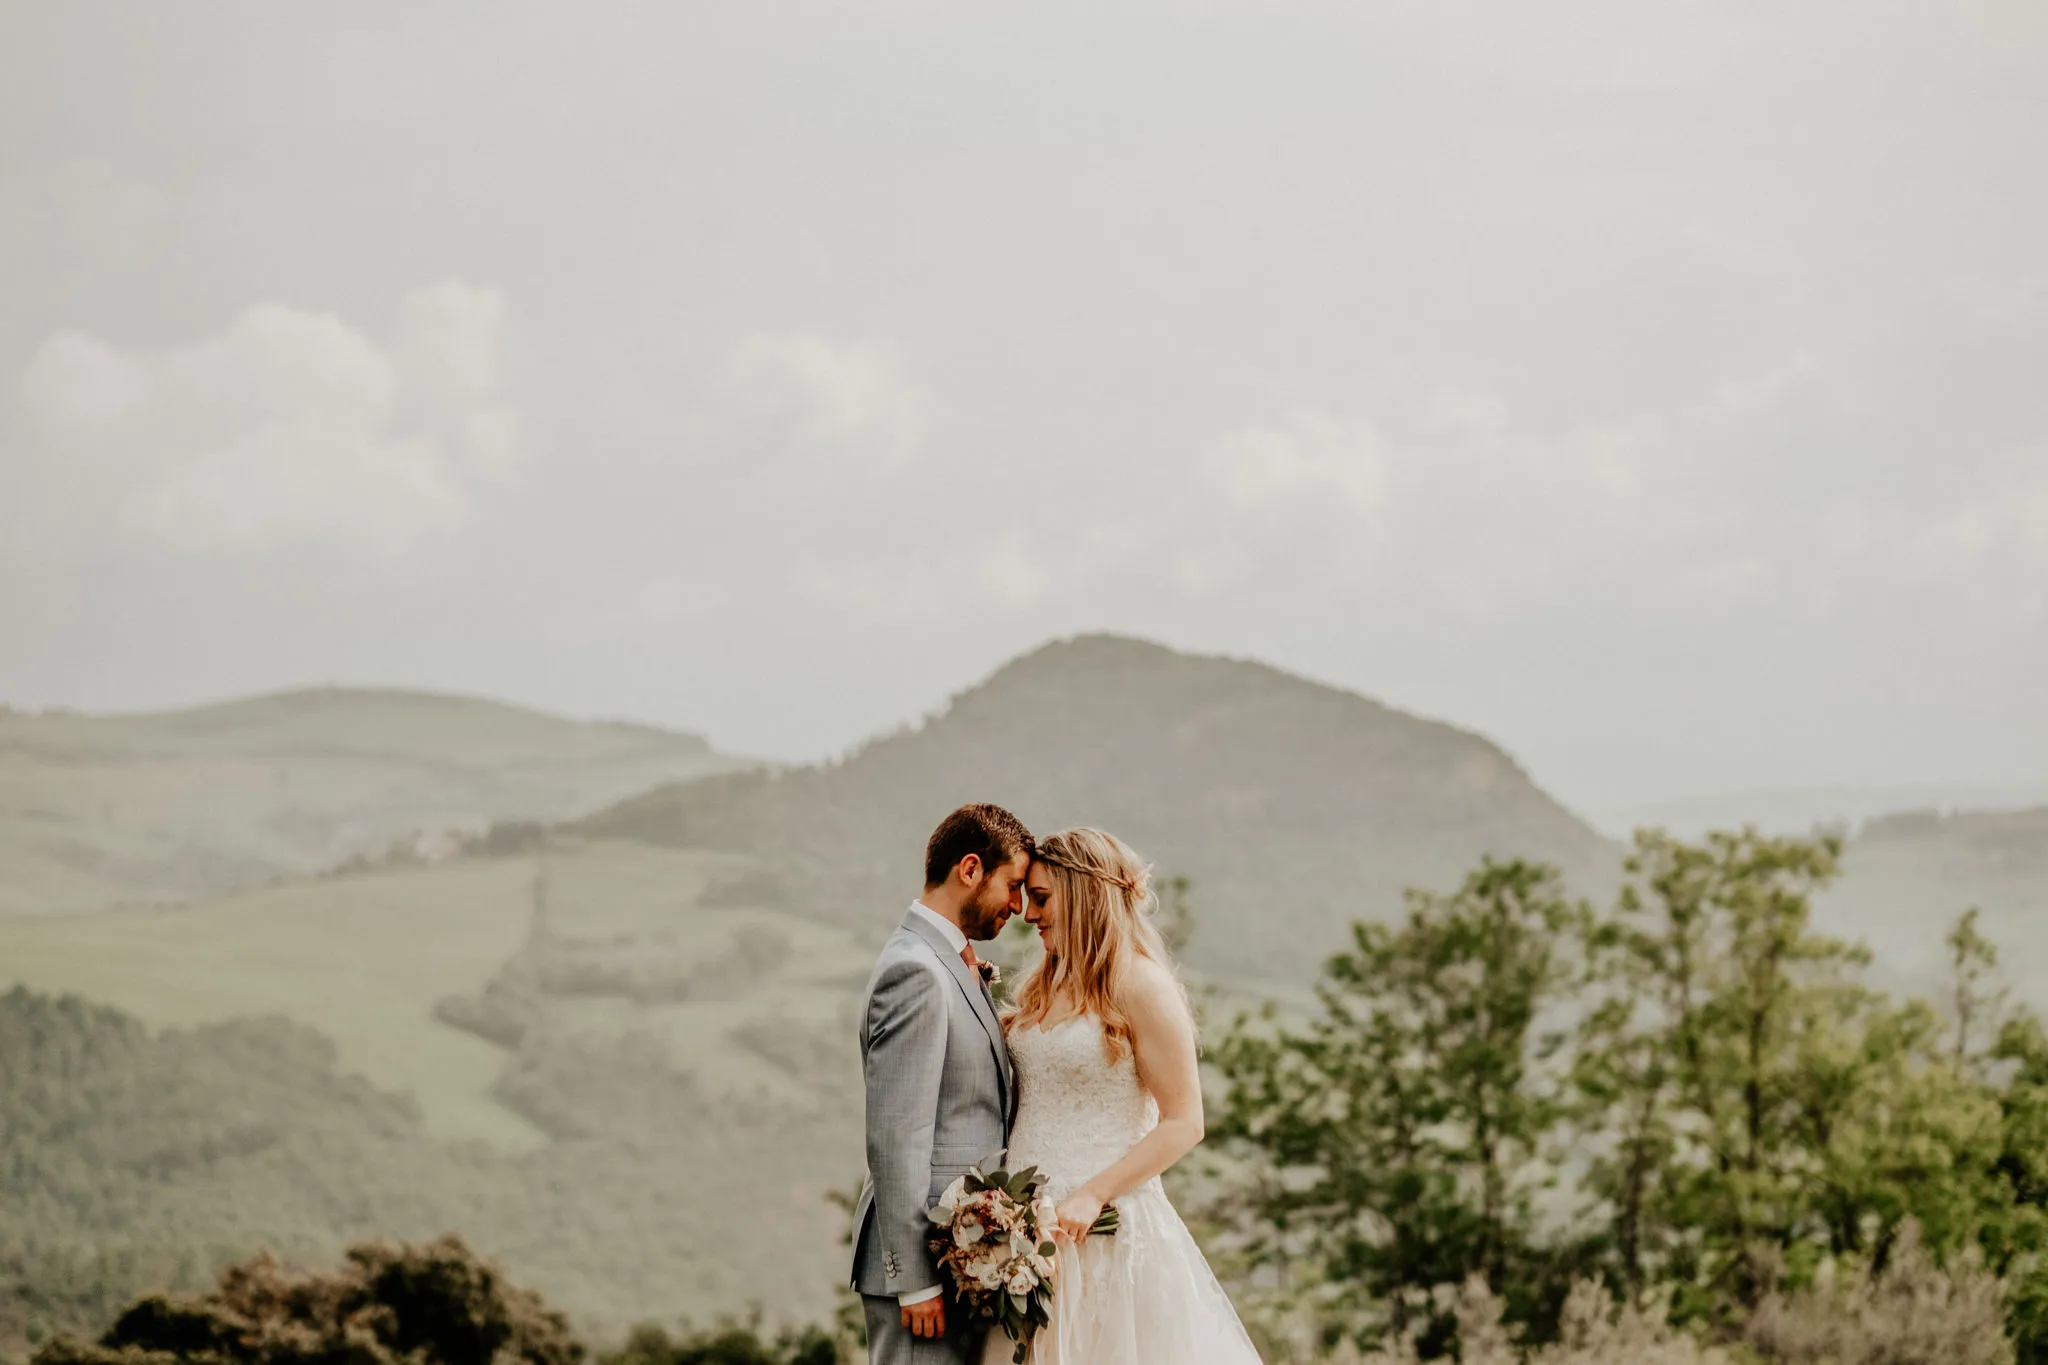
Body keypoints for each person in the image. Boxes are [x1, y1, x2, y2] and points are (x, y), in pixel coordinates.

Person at [991, 827, 1263, 1364]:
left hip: (1105, 1235)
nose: (1028, 914)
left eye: (1042, 898)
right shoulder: (1042, 985)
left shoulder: (1142, 985)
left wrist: (1093, 1194)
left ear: (1084, 894)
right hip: (1027, 1241)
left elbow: (1185, 1121)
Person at [852, 802, 1035, 1365]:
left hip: (963, 1256)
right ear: (971, 869)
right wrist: (915, 1280)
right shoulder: (918, 971)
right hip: (926, 1267)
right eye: (1013, 885)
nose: (1019, 906)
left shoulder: (950, 961)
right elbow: (897, 1133)